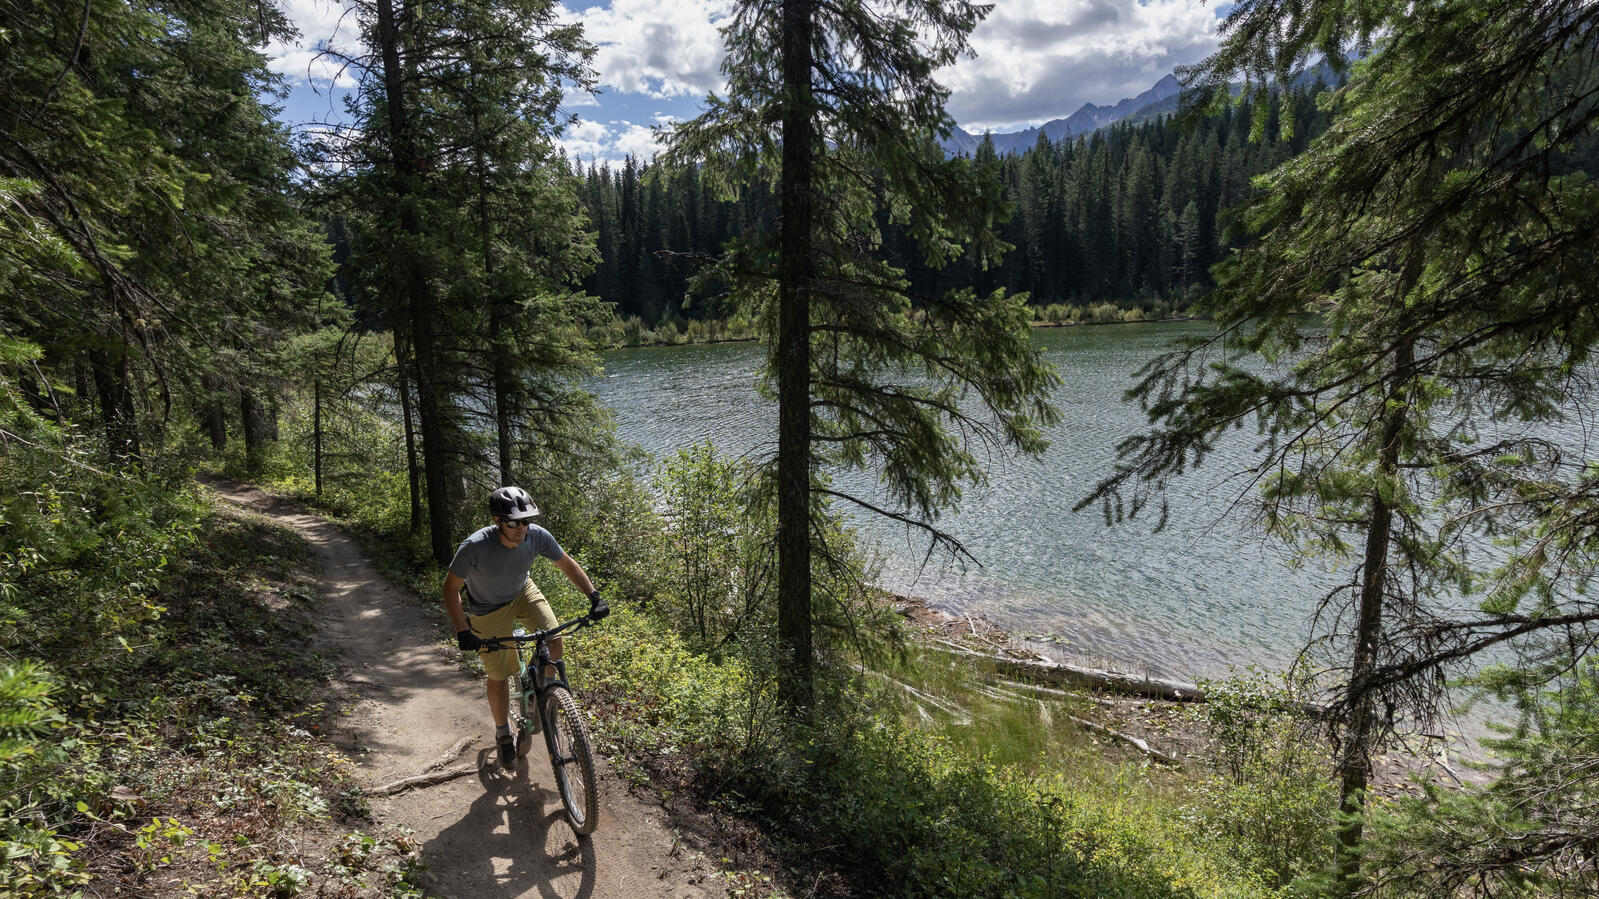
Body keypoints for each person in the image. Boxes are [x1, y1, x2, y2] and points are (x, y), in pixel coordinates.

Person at [443, 485, 608, 769]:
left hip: (522, 592)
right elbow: (450, 589)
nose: (521, 529)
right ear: (497, 521)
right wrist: (462, 630)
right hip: (487, 608)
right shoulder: (474, 547)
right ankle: (503, 734)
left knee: (554, 639)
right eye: (513, 523)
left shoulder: (536, 535)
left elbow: (566, 563)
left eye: (526, 521)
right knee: (499, 673)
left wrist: (594, 596)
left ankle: (541, 695)